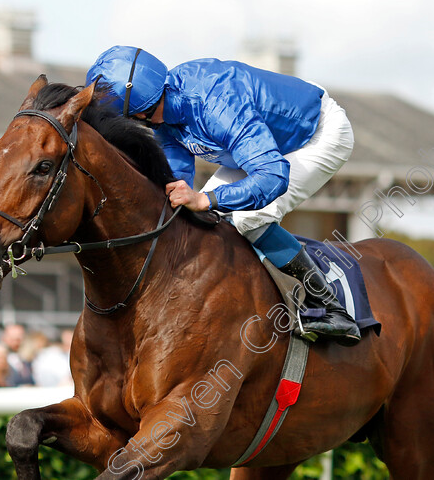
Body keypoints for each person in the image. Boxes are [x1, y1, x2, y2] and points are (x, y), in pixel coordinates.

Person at [87, 46, 360, 345]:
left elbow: (272, 176)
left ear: (139, 112)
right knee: (200, 219)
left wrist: (208, 200)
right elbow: (177, 177)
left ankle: (330, 307)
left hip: (315, 135)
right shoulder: (162, 107)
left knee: (248, 217)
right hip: (255, 147)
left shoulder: (217, 104)